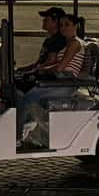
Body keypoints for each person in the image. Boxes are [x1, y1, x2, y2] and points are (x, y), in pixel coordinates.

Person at [16, 13, 85, 141]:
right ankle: (31, 130)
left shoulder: (75, 43)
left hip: (66, 83)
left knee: (28, 98)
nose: (63, 28)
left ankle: (17, 136)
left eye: (67, 25)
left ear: (75, 26)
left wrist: (42, 70)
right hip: (60, 81)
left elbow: (60, 67)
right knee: (30, 97)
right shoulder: (67, 43)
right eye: (61, 25)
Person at [17, 6, 66, 76]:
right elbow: (39, 63)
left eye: (47, 19)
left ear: (55, 21)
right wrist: (22, 69)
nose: (43, 21)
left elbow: (51, 60)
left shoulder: (58, 40)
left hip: (47, 76)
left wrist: (32, 71)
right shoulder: (49, 40)